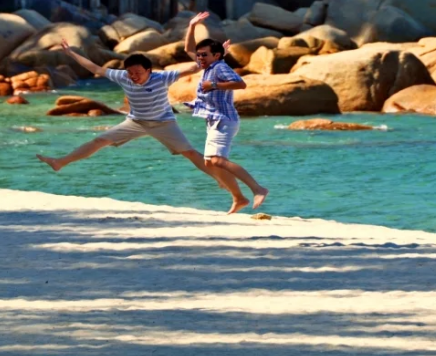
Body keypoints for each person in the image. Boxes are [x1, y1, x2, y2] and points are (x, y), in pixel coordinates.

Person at [36, 41, 252, 214]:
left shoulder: (162, 77)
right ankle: (60, 162)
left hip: (164, 123)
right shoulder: (123, 76)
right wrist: (71, 53)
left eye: (138, 72)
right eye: (130, 72)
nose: (134, 76)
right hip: (135, 122)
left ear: (149, 70)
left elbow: (195, 66)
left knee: (192, 154)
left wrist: (219, 54)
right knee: (99, 140)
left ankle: (234, 193)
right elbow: (94, 67)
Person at [183, 12, 269, 210]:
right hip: (214, 120)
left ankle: (258, 189)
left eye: (204, 55)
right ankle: (239, 198)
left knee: (218, 160)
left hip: (224, 120)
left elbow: (241, 84)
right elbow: (188, 48)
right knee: (210, 163)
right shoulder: (206, 64)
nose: (200, 57)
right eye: (199, 55)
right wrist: (192, 25)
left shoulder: (220, 67)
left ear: (217, 55)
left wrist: (213, 84)